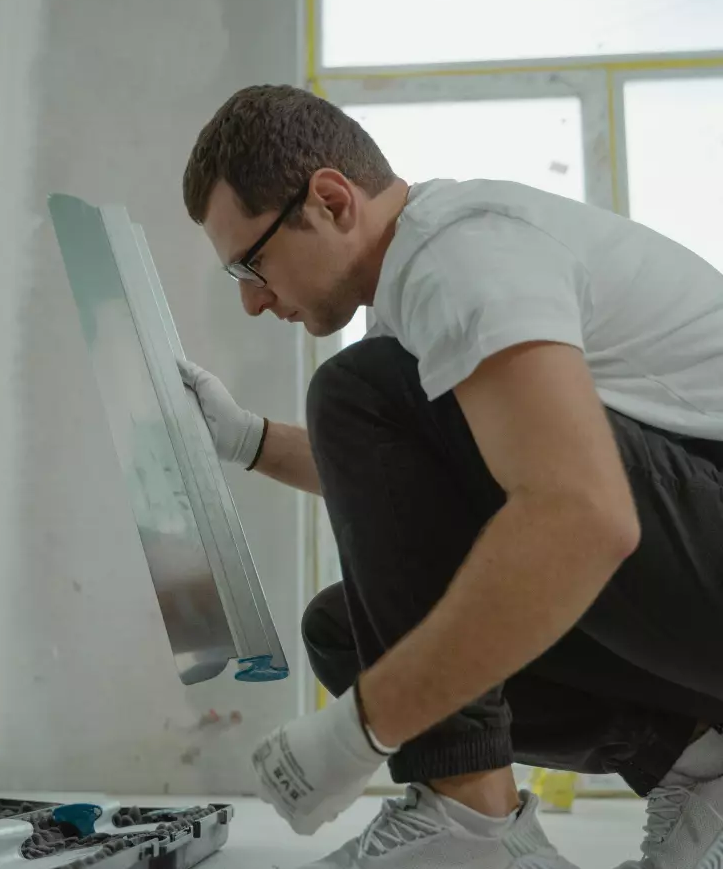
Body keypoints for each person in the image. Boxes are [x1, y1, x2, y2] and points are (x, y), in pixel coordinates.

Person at [178, 84, 723, 869]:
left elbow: (585, 512)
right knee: (347, 630)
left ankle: (467, 825)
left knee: (356, 390)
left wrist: (361, 727)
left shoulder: (460, 254)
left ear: (331, 200)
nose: (254, 303)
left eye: (250, 264)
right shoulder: (421, 296)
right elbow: (448, 486)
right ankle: (702, 766)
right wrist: (250, 443)